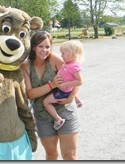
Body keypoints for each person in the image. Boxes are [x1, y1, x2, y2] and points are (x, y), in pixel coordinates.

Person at [21, 31, 81, 160]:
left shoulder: (54, 60)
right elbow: (30, 94)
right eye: (40, 46)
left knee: (70, 155)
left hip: (64, 111)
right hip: (42, 116)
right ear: (33, 47)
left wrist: (71, 98)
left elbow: (76, 79)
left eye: (47, 47)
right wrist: (51, 85)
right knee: (52, 155)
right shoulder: (26, 66)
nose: (44, 50)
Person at [43, 40, 84, 130]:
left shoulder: (74, 67)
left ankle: (58, 120)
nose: (61, 55)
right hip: (64, 88)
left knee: (46, 102)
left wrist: (66, 84)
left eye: (63, 54)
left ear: (73, 55)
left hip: (62, 91)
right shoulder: (69, 63)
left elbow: (79, 81)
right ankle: (78, 101)